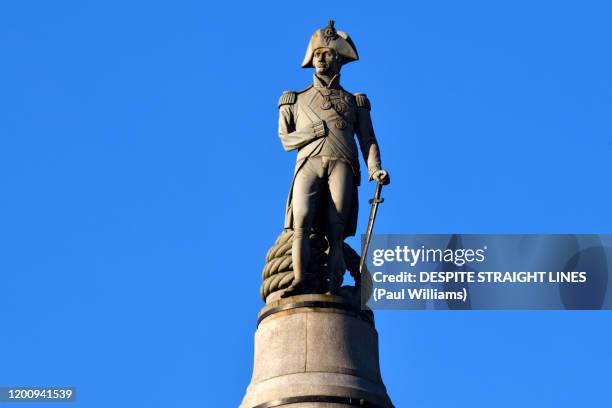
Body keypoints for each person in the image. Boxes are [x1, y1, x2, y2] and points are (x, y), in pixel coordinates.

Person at [278, 20, 390, 297]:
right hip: (309, 162)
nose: (321, 59)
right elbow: (285, 140)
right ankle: (301, 280)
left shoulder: (355, 101)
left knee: (336, 229)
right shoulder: (293, 99)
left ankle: (333, 286)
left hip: (343, 162)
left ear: (338, 59)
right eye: (317, 54)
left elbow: (368, 140)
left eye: (327, 54)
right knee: (301, 222)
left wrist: (375, 169)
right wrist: (311, 132)